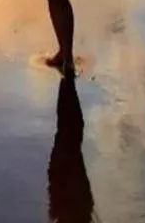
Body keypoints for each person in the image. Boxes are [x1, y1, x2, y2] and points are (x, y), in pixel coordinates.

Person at [47, 78, 94, 222]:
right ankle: (67, 71)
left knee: (70, 129)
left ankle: (67, 71)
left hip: (65, 172)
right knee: (71, 128)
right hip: (66, 174)